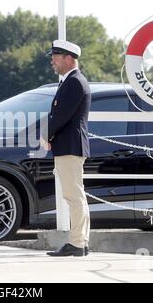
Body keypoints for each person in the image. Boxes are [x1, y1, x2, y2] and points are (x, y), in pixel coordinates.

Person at [42, 40, 91, 256]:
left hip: (70, 146)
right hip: (68, 145)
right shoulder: (71, 81)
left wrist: (46, 135)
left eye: (56, 56)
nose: (52, 60)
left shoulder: (74, 82)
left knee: (74, 196)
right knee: (74, 195)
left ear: (69, 58)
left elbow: (61, 115)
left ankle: (77, 243)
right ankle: (80, 242)